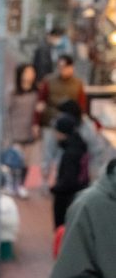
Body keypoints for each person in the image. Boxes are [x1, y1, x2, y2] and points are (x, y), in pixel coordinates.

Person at [33, 55, 86, 190]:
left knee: (61, 156)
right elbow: (40, 102)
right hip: (50, 123)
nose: (62, 70)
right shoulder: (49, 81)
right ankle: (44, 181)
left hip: (67, 127)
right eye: (60, 66)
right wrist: (36, 123)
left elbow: (81, 106)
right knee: (47, 153)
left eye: (65, 67)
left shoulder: (78, 84)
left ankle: (58, 181)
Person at [5, 63, 38, 198]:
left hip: (30, 132)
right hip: (15, 131)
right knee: (14, 160)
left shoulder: (36, 92)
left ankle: (21, 185)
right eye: (27, 72)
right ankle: (12, 184)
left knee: (26, 162)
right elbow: (6, 111)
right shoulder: (12, 92)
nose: (30, 75)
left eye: (32, 72)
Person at [51, 114, 89, 229]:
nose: (54, 134)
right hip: (76, 194)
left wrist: (55, 188)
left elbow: (69, 179)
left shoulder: (70, 152)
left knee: (63, 231)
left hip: (67, 198)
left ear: (62, 132)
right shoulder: (78, 145)